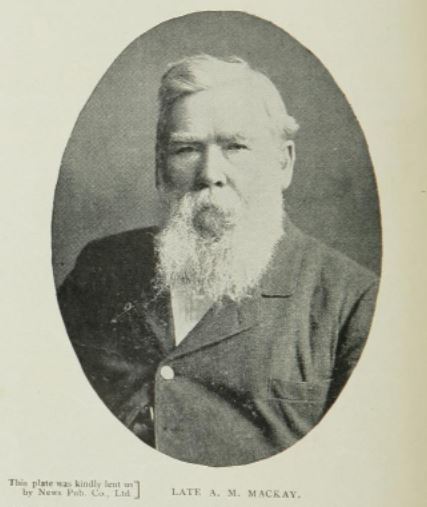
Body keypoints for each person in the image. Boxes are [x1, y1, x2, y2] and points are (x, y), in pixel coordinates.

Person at [58, 54, 378, 466]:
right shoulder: (102, 268)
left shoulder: (351, 302)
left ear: (283, 162)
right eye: (186, 149)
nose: (210, 173)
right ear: (160, 168)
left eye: (236, 147)